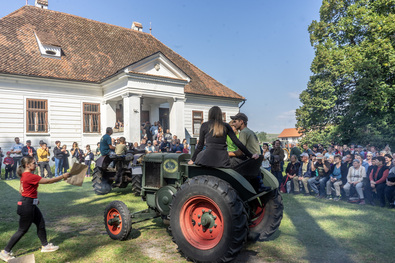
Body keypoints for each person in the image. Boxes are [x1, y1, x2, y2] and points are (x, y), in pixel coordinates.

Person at [0, 156, 71, 262]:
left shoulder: (24, 175)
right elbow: (48, 181)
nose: (36, 164)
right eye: (34, 163)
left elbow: (21, 191)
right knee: (22, 230)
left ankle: (45, 246)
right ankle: (5, 252)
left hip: (28, 204)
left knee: (40, 223)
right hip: (26, 206)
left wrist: (33, 199)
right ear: (28, 165)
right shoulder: (29, 176)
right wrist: (62, 176)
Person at [189, 108, 258, 168]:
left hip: (207, 159)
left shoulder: (204, 125)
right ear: (220, 115)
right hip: (222, 160)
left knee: (200, 156)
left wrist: (192, 159)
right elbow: (237, 142)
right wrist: (251, 155)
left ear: (210, 114)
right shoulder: (226, 126)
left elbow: (200, 145)